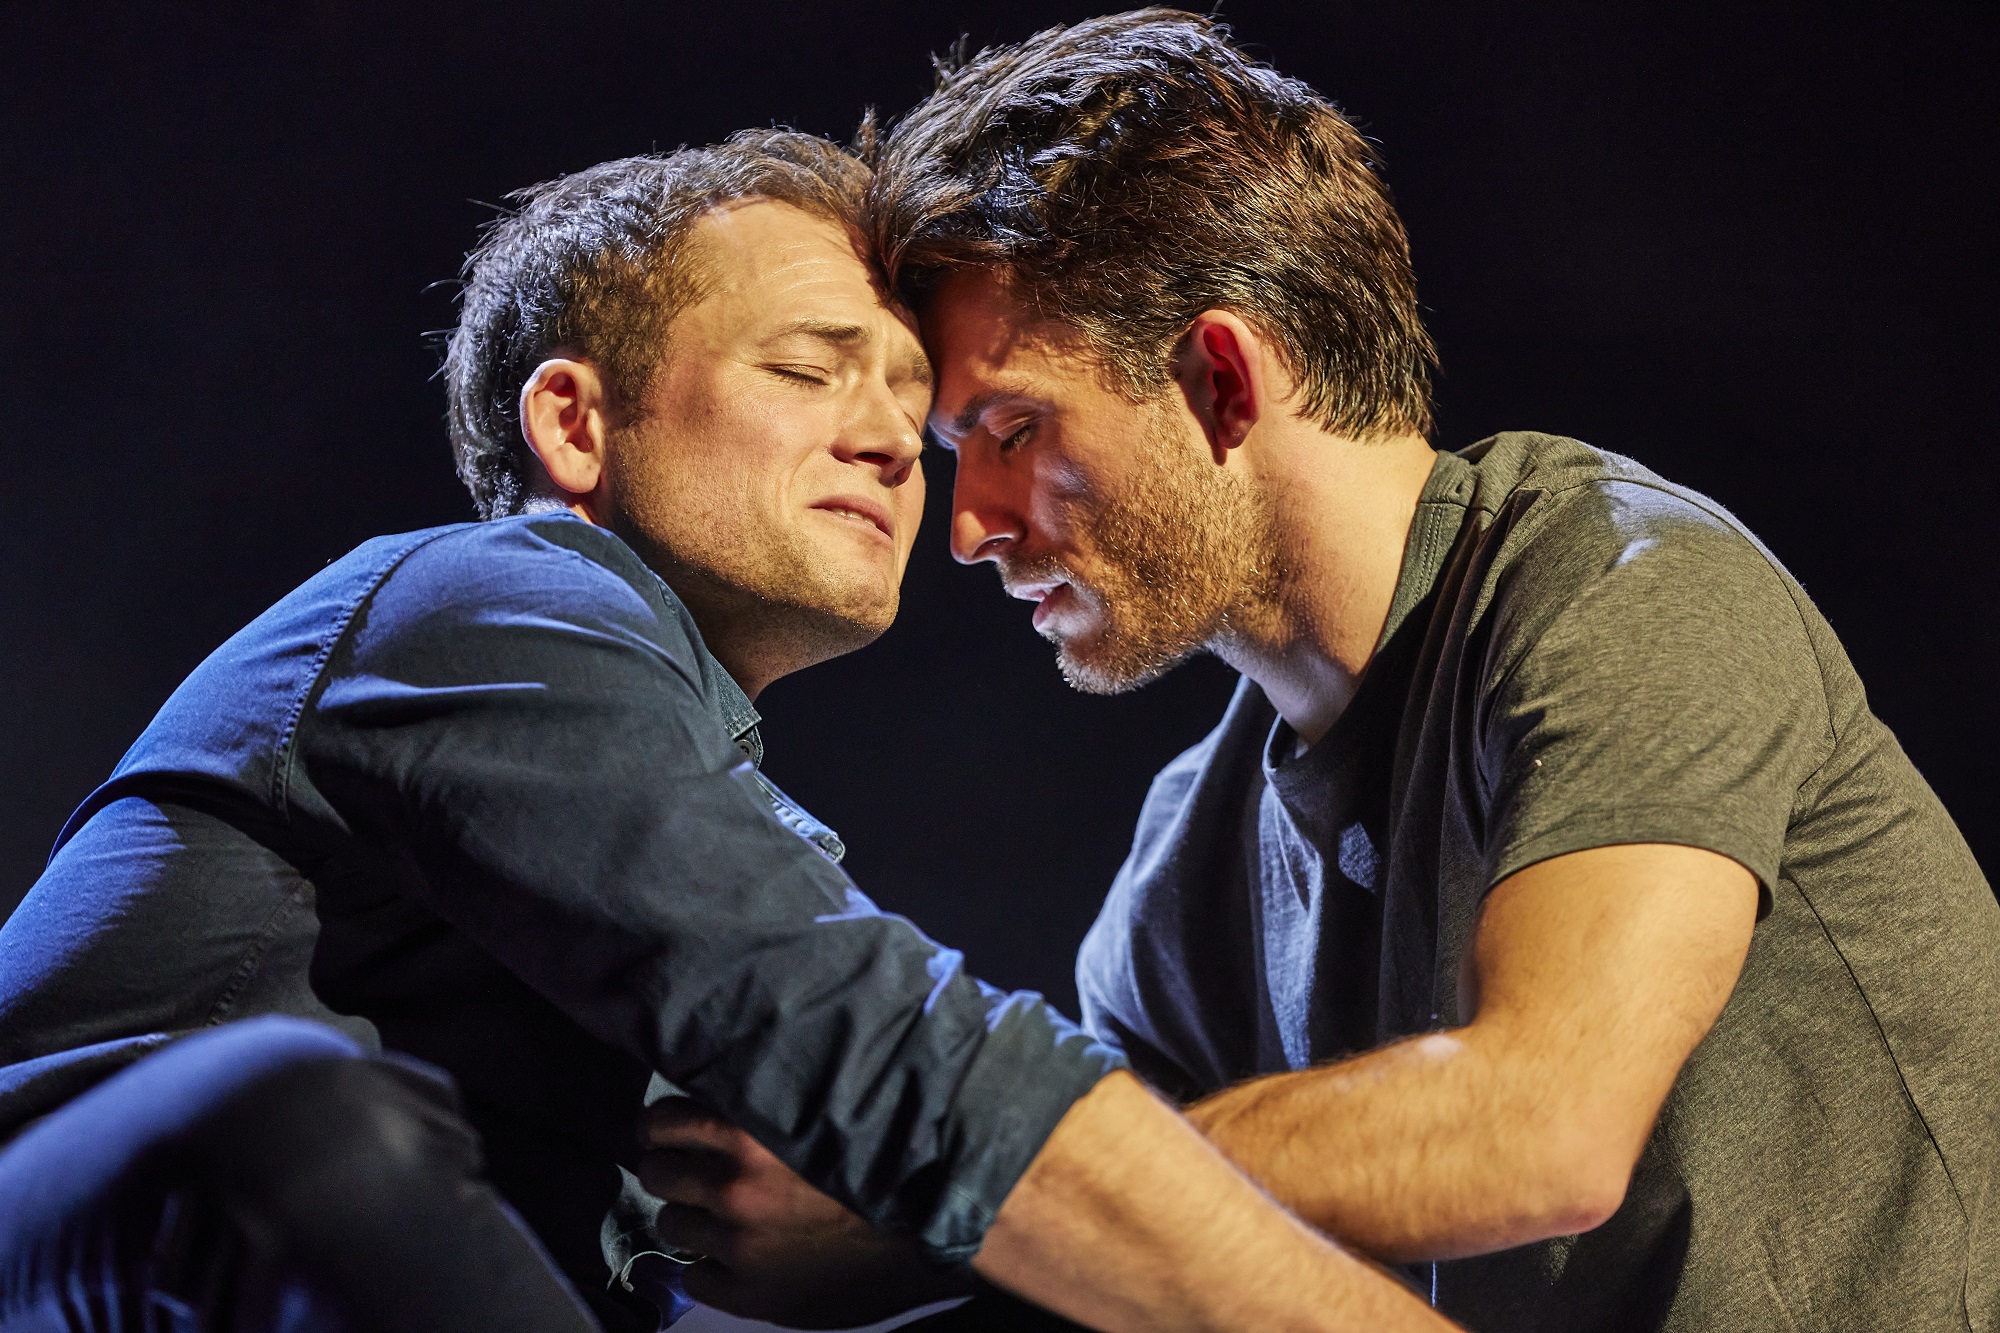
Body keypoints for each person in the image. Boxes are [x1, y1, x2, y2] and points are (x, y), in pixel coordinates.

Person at [655, 11, 2000, 1331]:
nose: (969, 527)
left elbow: (1541, 1124)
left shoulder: (1627, 588)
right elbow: (1139, 1236)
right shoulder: (1181, 882)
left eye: (1012, 428)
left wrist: (935, 1191)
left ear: (1223, 381)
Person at [0, 130, 1457, 1333]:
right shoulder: (488, 599)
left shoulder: (697, 787)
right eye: (810, 369)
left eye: (915, 407)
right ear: (576, 424)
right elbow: (892, 1056)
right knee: (294, 1124)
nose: (891, 440)